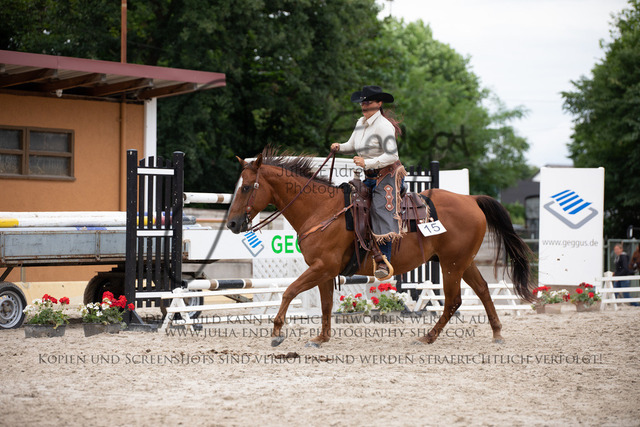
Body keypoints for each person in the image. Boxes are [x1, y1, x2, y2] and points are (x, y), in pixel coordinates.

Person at [331, 85, 406, 279]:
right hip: (370, 176)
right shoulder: (360, 122)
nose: (364, 106)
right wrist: (340, 147)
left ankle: (383, 262)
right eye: (363, 103)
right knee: (350, 203)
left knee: (380, 210)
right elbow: (352, 145)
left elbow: (392, 155)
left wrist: (367, 162)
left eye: (369, 102)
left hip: (388, 174)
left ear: (379, 103)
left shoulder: (384, 126)